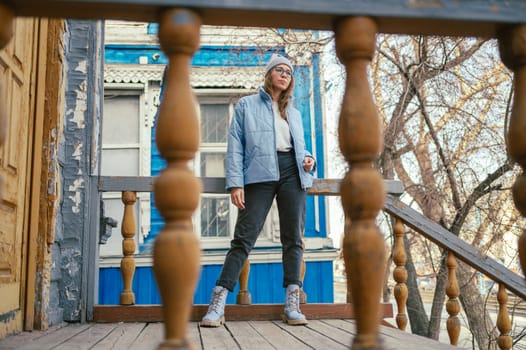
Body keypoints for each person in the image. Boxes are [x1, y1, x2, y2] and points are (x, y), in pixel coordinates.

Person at [200, 54, 316, 327]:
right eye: (279, 70)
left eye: (289, 71)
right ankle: (218, 302)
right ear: (268, 74)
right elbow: (236, 145)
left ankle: (292, 303)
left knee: (293, 239)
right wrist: (236, 183)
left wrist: (309, 159)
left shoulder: (295, 113)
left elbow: (299, 146)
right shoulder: (246, 105)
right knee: (243, 238)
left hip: (293, 173)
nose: (285, 74)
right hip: (259, 174)